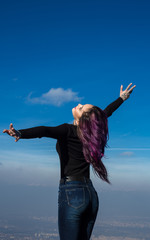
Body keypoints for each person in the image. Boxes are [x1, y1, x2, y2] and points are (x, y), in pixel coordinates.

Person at [3, 83, 136, 240]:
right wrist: (121, 98)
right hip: (90, 195)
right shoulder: (90, 132)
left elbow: (45, 130)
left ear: (83, 120)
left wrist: (20, 133)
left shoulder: (68, 130)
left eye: (81, 108)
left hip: (72, 193)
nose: (78, 104)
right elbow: (106, 113)